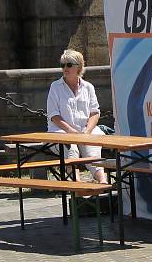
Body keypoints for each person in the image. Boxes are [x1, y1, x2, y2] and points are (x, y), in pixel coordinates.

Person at [46, 49, 107, 184]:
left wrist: (87, 131)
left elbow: (95, 112)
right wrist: (70, 131)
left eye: (69, 65)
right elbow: (54, 115)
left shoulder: (88, 87)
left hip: (85, 131)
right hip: (60, 132)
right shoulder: (55, 87)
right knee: (72, 149)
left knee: (92, 152)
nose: (65, 68)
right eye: (62, 65)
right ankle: (77, 184)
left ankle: (103, 183)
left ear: (78, 67)